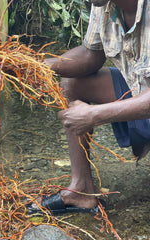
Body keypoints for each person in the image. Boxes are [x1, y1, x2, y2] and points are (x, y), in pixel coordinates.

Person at [27, 0, 150, 214]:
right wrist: (31, 66)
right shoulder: (103, 3)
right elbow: (90, 55)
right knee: (73, 82)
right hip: (139, 90)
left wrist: (94, 115)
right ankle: (81, 189)